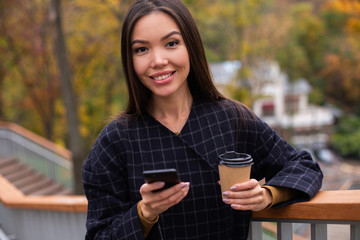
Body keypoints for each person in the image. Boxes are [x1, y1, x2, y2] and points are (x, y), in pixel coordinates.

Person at [81, 0, 323, 239]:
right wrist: (145, 212)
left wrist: (267, 195)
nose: (158, 60)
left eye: (171, 43)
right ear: (129, 59)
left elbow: (303, 166)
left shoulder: (231, 118)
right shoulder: (115, 142)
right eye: (141, 49)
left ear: (192, 47)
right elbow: (99, 235)